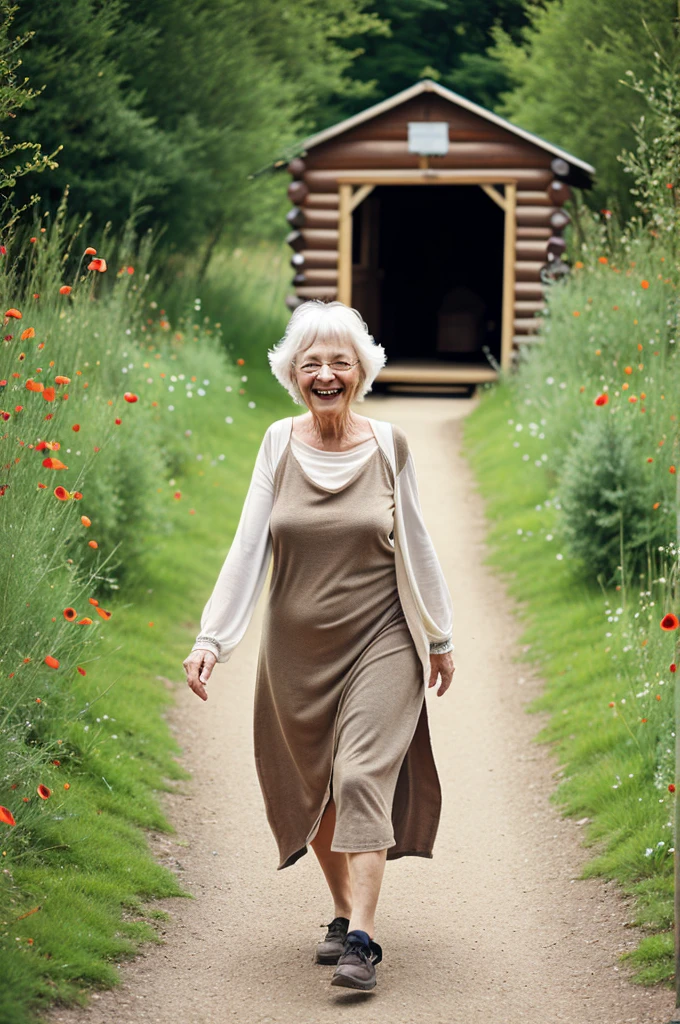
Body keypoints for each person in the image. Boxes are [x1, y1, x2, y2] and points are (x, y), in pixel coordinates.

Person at [182, 299, 455, 993]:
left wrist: (439, 635)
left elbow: (418, 546)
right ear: (293, 375)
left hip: (383, 638)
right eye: (312, 364)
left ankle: (362, 938)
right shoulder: (278, 442)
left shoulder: (390, 446)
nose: (326, 374)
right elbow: (248, 546)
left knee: (361, 774)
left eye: (340, 362)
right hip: (295, 647)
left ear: (361, 372)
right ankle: (340, 911)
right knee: (320, 786)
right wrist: (214, 637)